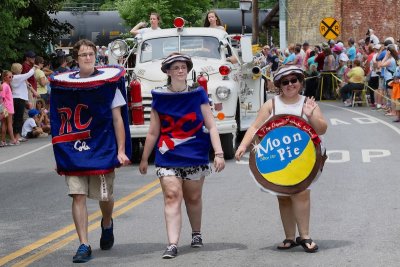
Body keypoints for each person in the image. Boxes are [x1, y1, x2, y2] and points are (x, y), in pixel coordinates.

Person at [49, 39, 131, 263]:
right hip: (73, 150)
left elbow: (118, 120)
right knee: (78, 195)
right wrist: (59, 154)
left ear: (96, 56)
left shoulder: (107, 84)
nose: (87, 58)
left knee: (105, 196)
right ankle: (84, 244)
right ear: (76, 58)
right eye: (83, 54)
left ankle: (106, 222)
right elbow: (58, 121)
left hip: (102, 147)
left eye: (90, 54)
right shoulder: (64, 87)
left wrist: (121, 150)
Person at [139, 53, 225, 259]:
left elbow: (211, 125)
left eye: (183, 67)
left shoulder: (198, 94)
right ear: (168, 72)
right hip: (167, 155)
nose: (180, 70)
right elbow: (152, 132)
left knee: (193, 197)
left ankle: (196, 233)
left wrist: (219, 153)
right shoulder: (160, 97)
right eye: (176, 67)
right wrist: (144, 158)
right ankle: (172, 244)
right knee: (172, 196)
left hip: (195, 153)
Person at [235, 65, 327, 253]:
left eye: (294, 80)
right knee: (283, 197)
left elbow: (322, 129)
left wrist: (311, 116)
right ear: (279, 85)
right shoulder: (272, 104)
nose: (290, 85)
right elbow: (254, 128)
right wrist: (243, 146)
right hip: (279, 156)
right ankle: (289, 237)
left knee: (301, 193)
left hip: (304, 157)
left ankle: (306, 236)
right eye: (285, 82)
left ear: (300, 82)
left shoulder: (308, 103)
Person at [10, 62, 38, 142]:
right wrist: (34, 68)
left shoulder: (15, 77)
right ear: (17, 69)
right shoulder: (17, 77)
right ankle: (17, 137)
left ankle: (17, 135)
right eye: (21, 68)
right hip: (19, 99)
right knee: (18, 118)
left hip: (17, 98)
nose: (22, 69)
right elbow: (28, 74)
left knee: (17, 118)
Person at [1, 71, 19, 146]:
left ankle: (3, 140)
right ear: (5, 77)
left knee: (4, 123)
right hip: (7, 107)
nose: (11, 78)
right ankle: (12, 139)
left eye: (12, 76)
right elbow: (2, 97)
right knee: (9, 123)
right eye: (9, 77)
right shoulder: (5, 85)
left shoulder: (6, 85)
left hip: (6, 107)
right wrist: (3, 107)